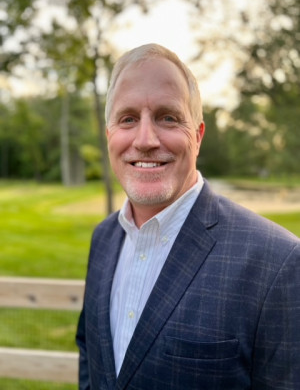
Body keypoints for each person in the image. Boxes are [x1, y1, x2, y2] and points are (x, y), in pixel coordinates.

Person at [76, 43, 300, 390]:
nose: (146, 139)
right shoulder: (103, 238)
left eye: (168, 117)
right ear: (109, 136)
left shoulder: (278, 262)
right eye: (128, 119)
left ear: (197, 136)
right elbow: (91, 353)